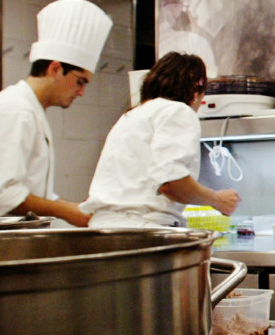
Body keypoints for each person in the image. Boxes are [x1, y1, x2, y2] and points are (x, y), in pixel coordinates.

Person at [0, 0, 113, 226]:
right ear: (55, 68)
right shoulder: (14, 111)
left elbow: (30, 196)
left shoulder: (29, 110)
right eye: (80, 82)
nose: (81, 93)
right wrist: (66, 210)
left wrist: (75, 212)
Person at [81, 52, 240, 227]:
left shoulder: (130, 116)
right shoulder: (178, 111)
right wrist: (217, 199)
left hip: (103, 228)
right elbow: (172, 183)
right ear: (196, 90)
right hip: (143, 230)